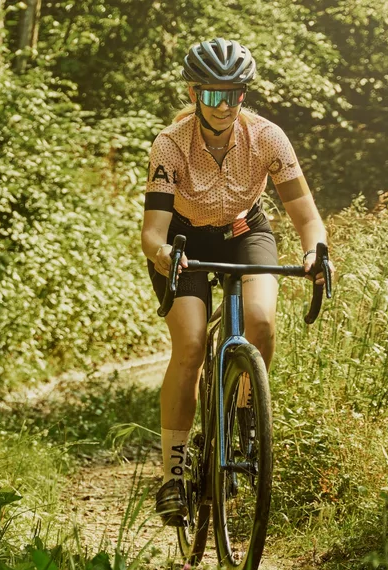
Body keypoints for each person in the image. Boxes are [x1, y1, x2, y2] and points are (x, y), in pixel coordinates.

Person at [142, 39, 331, 524]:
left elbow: (307, 218)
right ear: (192, 93)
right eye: (212, 96)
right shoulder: (169, 144)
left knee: (261, 321)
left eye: (234, 95)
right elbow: (152, 234)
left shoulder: (268, 137)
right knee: (187, 346)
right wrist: (164, 256)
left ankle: (240, 413)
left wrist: (315, 251)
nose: (224, 106)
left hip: (247, 232)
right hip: (184, 242)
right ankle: (173, 474)